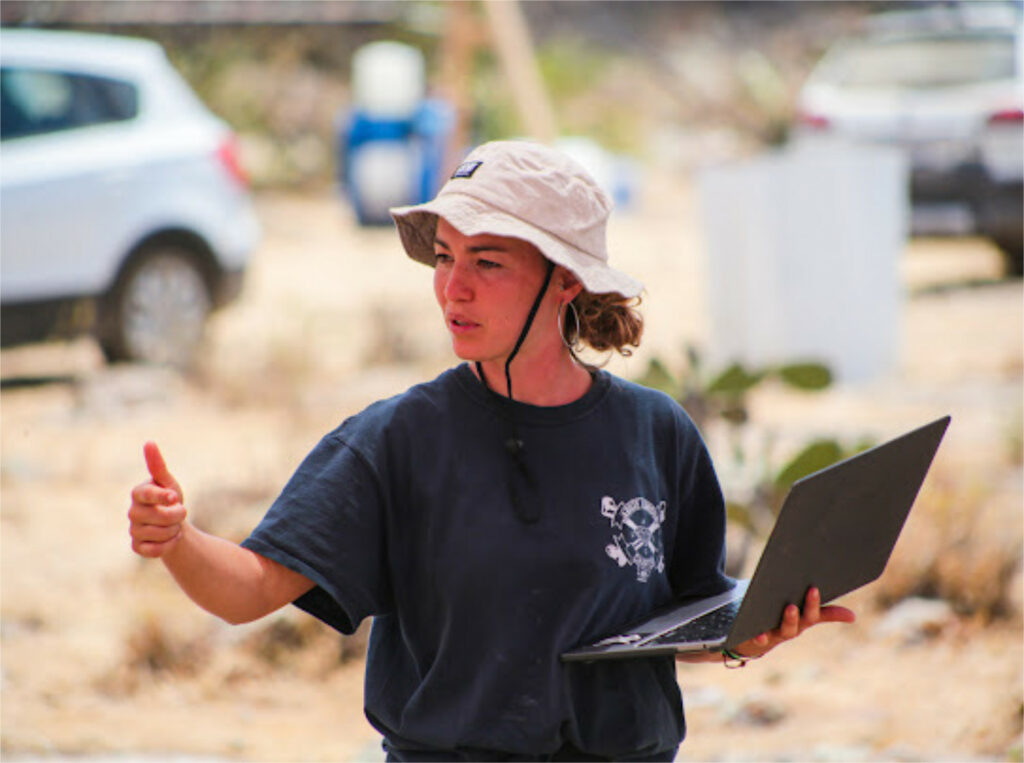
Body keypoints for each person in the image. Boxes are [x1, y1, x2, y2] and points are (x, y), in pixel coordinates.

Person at [128, 140, 855, 761]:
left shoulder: (656, 432)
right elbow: (247, 590)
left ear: (566, 279)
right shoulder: (397, 439)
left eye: (488, 262)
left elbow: (678, 621)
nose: (454, 288)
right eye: (444, 257)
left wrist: (742, 638)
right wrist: (179, 539)